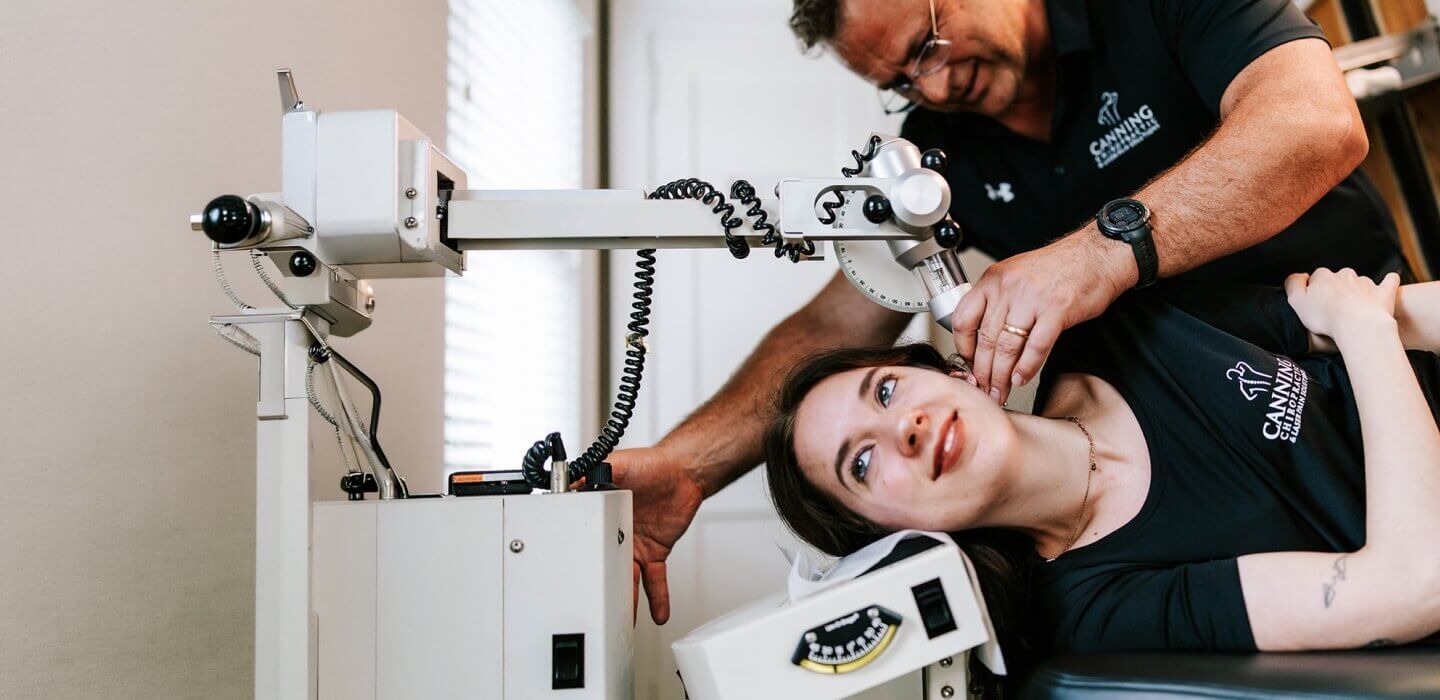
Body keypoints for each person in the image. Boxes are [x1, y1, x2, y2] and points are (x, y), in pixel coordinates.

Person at [613, 0, 1413, 626]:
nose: (931, 89)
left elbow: (1315, 125)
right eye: (899, 82)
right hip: (1215, 449)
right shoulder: (941, 148)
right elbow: (835, 332)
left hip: (1371, 337)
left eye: (925, 47)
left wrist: (1095, 257)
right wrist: (691, 465)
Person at [762, 268, 1440, 653]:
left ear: (956, 373)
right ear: (892, 541)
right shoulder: (1092, 609)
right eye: (862, 464)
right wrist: (1365, 332)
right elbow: (1414, 585)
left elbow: (1389, 309)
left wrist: (1366, 323)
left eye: (885, 391)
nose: (902, 428)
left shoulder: (1115, 327)